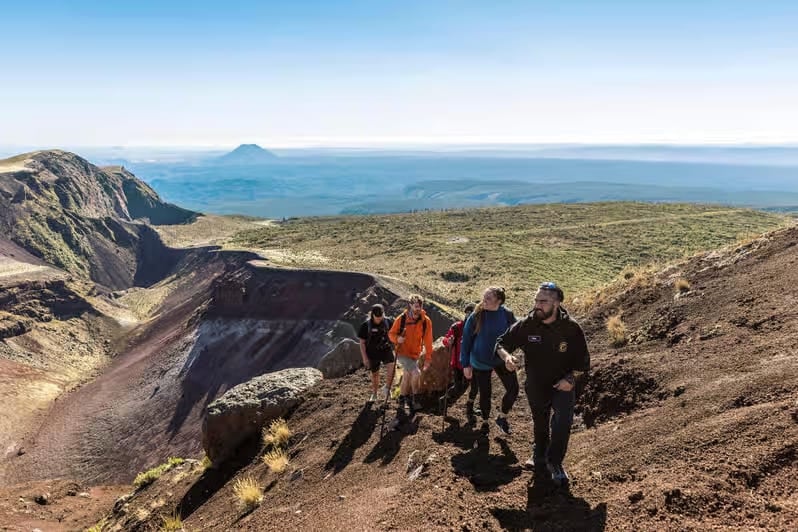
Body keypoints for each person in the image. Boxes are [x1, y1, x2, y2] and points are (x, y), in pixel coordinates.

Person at [496, 281, 590, 486]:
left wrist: (571, 379)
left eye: (543, 301)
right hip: (536, 384)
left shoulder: (571, 328)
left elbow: (583, 362)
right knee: (540, 421)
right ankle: (539, 454)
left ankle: (555, 463)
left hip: (562, 384)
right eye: (536, 300)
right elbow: (501, 343)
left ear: (556, 303)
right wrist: (507, 358)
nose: (538, 305)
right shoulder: (527, 324)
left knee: (563, 421)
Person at [460, 287, 518, 435]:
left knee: (513, 389)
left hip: (502, 359)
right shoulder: (476, 316)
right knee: (485, 393)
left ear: (499, 301)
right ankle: (485, 421)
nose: (483, 301)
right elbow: (466, 340)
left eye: (488, 299)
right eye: (484, 297)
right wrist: (465, 364)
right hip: (480, 360)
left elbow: (518, 334)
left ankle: (502, 416)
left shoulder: (507, 314)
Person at [388, 294, 434, 415]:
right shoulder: (402, 319)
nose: (418, 309)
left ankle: (402, 398)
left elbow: (428, 341)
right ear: (410, 305)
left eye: (420, 306)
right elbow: (391, 334)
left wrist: (428, 358)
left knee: (408, 375)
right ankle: (415, 399)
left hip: (415, 354)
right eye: (415, 306)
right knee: (416, 373)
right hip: (402, 352)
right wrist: (397, 339)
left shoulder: (426, 321)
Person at [441, 302, 481, 419]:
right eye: (468, 313)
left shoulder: (479, 328)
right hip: (458, 363)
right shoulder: (457, 327)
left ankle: (470, 407)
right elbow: (446, 339)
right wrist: (449, 341)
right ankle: (443, 401)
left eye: (472, 313)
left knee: (474, 387)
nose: (469, 315)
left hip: (474, 363)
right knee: (458, 387)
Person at [357, 304, 395, 403]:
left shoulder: (388, 322)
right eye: (376, 317)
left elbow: (395, 333)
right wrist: (365, 358)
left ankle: (387, 389)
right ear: (372, 315)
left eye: (380, 316)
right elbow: (362, 342)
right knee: (375, 374)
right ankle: (374, 394)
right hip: (372, 352)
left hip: (386, 349)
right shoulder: (366, 325)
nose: (379, 319)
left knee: (392, 368)